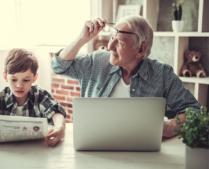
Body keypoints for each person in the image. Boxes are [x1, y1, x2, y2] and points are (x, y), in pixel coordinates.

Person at [51, 15, 200, 138]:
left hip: (142, 154)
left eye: (119, 42)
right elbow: (58, 66)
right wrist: (81, 39)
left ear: (140, 49)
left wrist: (170, 127)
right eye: (111, 38)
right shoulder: (97, 62)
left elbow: (193, 110)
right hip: (94, 146)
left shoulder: (161, 74)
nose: (110, 47)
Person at [0, 48, 66, 147]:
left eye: (26, 80)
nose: (19, 85)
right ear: (6, 77)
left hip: (37, 152)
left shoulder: (40, 95)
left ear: (34, 78)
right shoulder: (0, 99)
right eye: (14, 80)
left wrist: (60, 128)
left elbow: (57, 113)